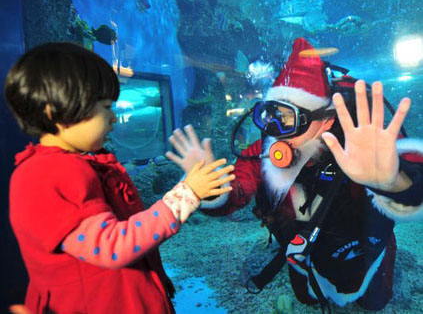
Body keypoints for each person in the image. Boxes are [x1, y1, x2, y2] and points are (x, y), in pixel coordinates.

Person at [166, 37, 423, 311]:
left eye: (287, 119)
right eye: (270, 115)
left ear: (326, 121)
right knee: (307, 298)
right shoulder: (264, 151)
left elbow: (415, 177)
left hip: (365, 248)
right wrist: (210, 188)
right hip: (304, 254)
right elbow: (236, 194)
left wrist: (392, 180)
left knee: (375, 302)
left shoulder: (361, 142)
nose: (275, 131)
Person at [4, 42, 235, 314]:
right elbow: (111, 245)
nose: (114, 118)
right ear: (54, 113)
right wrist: (187, 194)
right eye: (105, 107)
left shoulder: (77, 163)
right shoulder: (47, 174)